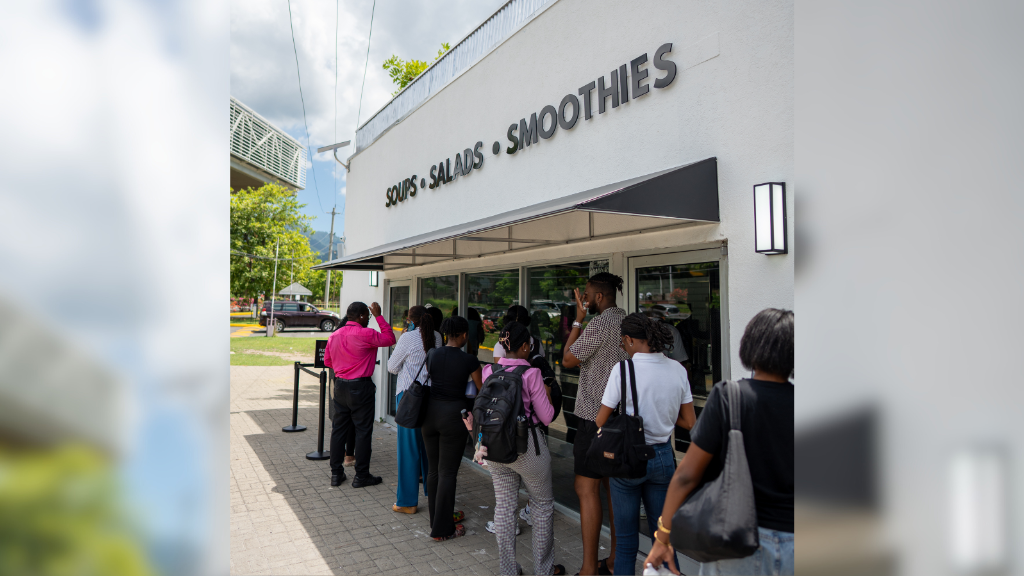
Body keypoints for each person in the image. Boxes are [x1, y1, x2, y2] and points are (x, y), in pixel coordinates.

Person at [644, 308, 794, 576]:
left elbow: (686, 476)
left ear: (750, 345)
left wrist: (663, 537)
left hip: (736, 542)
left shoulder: (730, 397)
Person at [595, 313, 696, 575]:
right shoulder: (678, 370)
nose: (623, 346)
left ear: (629, 339)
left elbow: (601, 419)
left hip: (628, 458)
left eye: (622, 342)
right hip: (663, 457)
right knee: (662, 538)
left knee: (626, 541)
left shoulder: (623, 370)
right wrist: (664, 413)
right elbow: (689, 422)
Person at [478, 322, 566, 576]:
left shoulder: (488, 371)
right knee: (542, 506)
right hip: (528, 448)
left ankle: (508, 570)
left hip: (495, 447)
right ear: (526, 346)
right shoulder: (532, 374)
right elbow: (547, 417)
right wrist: (547, 393)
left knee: (505, 507)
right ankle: (543, 570)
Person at [562, 272, 628, 576]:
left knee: (585, 488)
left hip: (593, 417)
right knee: (614, 490)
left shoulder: (599, 324)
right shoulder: (627, 321)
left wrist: (578, 320)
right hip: (621, 418)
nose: (584, 299)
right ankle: (614, 561)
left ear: (599, 296)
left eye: (587, 295)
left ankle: (589, 569)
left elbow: (568, 359)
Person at [421, 315, 483, 540]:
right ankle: (442, 530)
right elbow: (481, 389)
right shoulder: (470, 360)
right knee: (447, 472)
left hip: (429, 416)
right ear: (465, 335)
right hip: (454, 418)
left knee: (433, 471)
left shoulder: (432, 354)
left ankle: (436, 521)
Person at [323, 301, 396, 488]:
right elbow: (390, 339)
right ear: (362, 316)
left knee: (338, 430)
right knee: (363, 432)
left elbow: (328, 362)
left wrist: (344, 366)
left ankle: (336, 474)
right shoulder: (367, 334)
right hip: (361, 387)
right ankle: (361, 476)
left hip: (340, 386)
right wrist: (379, 316)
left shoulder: (334, 335)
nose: (369, 319)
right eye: (368, 316)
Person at [386, 305, 441, 514]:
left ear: (410, 320)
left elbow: (392, 367)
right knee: (428, 447)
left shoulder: (407, 338)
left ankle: (407, 502)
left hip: (409, 397)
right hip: (431, 397)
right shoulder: (437, 337)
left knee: (408, 449)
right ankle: (431, 492)